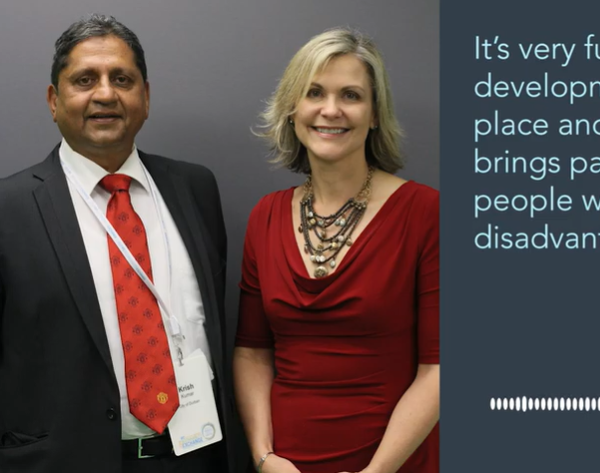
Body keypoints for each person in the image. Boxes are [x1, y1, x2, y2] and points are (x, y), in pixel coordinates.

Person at [0, 14, 234, 473]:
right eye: (85, 80)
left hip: (195, 456)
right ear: (54, 100)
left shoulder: (195, 189)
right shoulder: (9, 209)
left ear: (145, 97)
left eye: (122, 79)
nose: (105, 94)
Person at [234, 28, 439, 473]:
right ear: (292, 109)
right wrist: (264, 457)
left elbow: (439, 369)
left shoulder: (426, 212)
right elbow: (252, 353)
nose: (331, 110)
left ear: (375, 114)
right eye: (314, 93)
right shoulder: (265, 216)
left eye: (351, 95)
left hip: (392, 463)